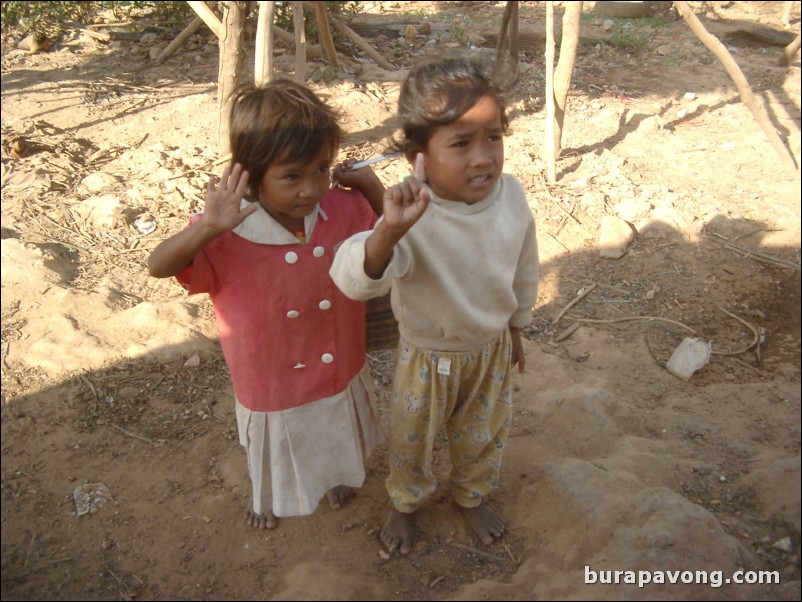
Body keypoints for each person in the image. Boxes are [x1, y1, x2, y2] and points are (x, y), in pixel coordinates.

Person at [148, 79, 386, 530]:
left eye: (321, 168)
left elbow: (390, 232)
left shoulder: (343, 207)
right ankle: (268, 495)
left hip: (336, 350)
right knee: (279, 433)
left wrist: (371, 184)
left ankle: (334, 475)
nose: (311, 188)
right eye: (292, 176)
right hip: (270, 368)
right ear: (252, 175)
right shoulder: (227, 228)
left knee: (331, 416)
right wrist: (207, 228)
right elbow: (157, 266)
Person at [330, 54, 539, 555]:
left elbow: (523, 264)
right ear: (417, 156)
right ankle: (404, 504)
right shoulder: (409, 212)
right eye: (461, 143)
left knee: (483, 433)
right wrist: (389, 229)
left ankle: (470, 496)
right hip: (428, 357)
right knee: (412, 442)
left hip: (489, 351)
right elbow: (355, 279)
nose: (484, 157)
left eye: (493, 136)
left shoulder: (510, 195)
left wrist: (516, 326)